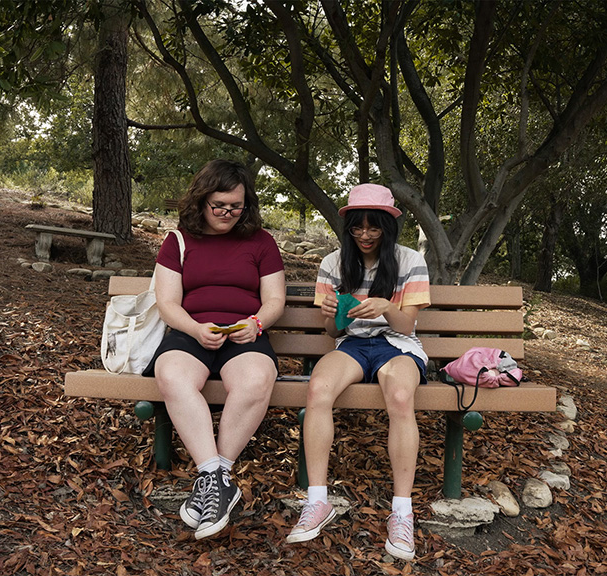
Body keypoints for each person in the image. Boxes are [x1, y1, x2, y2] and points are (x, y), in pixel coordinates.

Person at [285, 184, 430, 560]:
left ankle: (402, 511)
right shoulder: (333, 263)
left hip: (396, 346)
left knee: (399, 396)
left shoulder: (410, 260)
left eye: (374, 227)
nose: (364, 235)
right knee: (318, 389)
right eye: (357, 228)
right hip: (351, 345)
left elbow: (406, 326)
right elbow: (332, 333)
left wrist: (385, 306)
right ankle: (318, 501)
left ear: (388, 226)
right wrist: (332, 314)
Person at [146, 159, 286, 540]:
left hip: (244, 334)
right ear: (202, 200)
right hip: (191, 332)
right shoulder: (178, 241)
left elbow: (275, 299)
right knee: (171, 374)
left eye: (236, 206)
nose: (227, 213)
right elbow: (168, 303)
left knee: (257, 378)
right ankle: (216, 477)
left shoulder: (261, 241)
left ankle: (213, 479)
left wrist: (255, 323)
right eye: (219, 205)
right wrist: (195, 327)